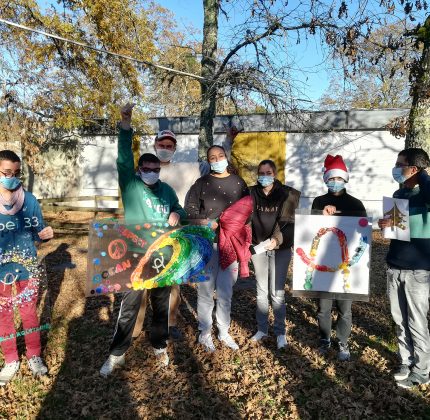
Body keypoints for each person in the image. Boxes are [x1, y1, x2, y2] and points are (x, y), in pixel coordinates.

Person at [100, 104, 186, 376]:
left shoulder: (167, 190)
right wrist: (125, 124)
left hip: (162, 256)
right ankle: (117, 354)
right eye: (146, 168)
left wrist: (176, 212)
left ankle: (159, 346)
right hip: (135, 254)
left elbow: (180, 209)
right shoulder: (132, 186)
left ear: (160, 169)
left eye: (155, 168)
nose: (151, 172)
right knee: (130, 306)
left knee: (161, 305)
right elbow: (123, 157)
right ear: (139, 169)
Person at [132, 125, 240, 341]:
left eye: (169, 146)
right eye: (161, 145)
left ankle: (170, 323)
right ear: (155, 145)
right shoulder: (143, 172)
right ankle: (136, 326)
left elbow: (215, 163)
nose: (165, 148)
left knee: (172, 279)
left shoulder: (188, 168)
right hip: (145, 235)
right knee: (141, 282)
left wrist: (229, 140)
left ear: (175, 148)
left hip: (175, 233)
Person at [185, 145, 248, 352]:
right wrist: (204, 222)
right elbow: (190, 210)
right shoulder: (201, 183)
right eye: (213, 158)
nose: (217, 159)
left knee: (225, 291)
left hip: (231, 245)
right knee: (204, 292)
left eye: (220, 156)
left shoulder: (239, 183)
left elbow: (248, 210)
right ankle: (204, 332)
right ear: (209, 161)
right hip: (207, 244)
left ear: (226, 157)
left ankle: (223, 331)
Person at [0, 150, 54, 386]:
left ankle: (34, 355)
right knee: (3, 314)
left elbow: (38, 233)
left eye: (16, 173)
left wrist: (45, 236)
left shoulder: (29, 200)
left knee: (29, 312)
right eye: (6, 172)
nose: (12, 177)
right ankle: (11, 359)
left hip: (27, 267)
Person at [378, 148, 430, 389]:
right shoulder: (399, 193)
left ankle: (422, 370)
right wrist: (386, 224)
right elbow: (396, 231)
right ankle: (406, 361)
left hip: (418, 271)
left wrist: (425, 175)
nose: (396, 168)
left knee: (416, 322)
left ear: (415, 169)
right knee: (399, 320)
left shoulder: (426, 194)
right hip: (395, 265)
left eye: (401, 164)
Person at [311, 154, 366, 361]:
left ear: (345, 179)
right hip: (324, 261)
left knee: (345, 307)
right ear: (325, 179)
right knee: (323, 307)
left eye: (339, 179)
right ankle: (324, 338)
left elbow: (363, 231)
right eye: (332, 179)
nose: (335, 182)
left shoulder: (355, 203)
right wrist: (320, 214)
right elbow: (310, 229)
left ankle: (343, 340)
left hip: (347, 265)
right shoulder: (318, 201)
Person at [249, 160, 300, 349]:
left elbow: (288, 221)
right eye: (261, 172)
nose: (264, 176)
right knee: (261, 291)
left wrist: (276, 240)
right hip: (258, 247)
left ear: (275, 173)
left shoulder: (287, 194)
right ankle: (262, 329)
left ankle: (280, 332)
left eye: (268, 172)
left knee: (277, 293)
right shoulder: (251, 193)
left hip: (281, 248)